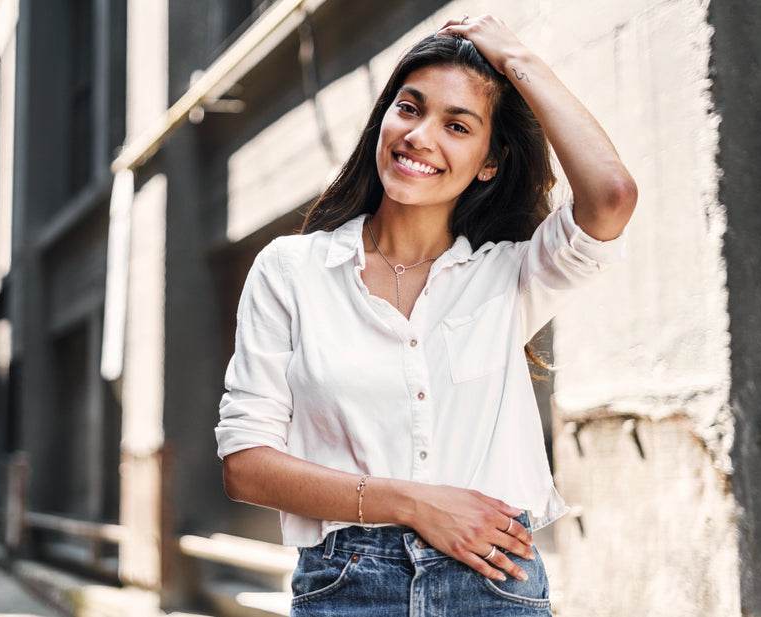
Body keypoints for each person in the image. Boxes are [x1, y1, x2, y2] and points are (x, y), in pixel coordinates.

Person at [215, 13, 636, 617]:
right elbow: (247, 466)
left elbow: (611, 196)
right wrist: (414, 503)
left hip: (492, 583)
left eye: (458, 125)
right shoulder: (291, 270)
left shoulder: (510, 276)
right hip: (346, 585)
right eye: (409, 108)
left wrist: (520, 61)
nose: (420, 135)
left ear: (489, 161)